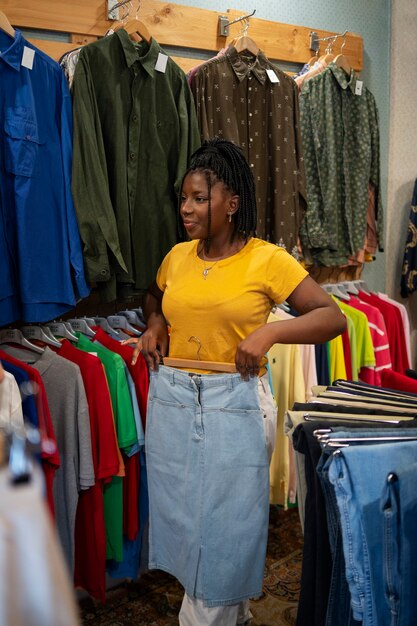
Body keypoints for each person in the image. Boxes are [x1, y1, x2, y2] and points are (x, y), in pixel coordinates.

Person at [124, 138, 346, 626]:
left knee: (224, 539)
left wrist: (268, 332)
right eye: (184, 198)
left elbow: (332, 318)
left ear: (232, 202)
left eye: (199, 198)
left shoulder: (267, 260)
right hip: (175, 404)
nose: (186, 208)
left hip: (236, 405)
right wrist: (156, 322)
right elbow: (154, 297)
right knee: (189, 536)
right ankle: (236, 616)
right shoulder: (178, 256)